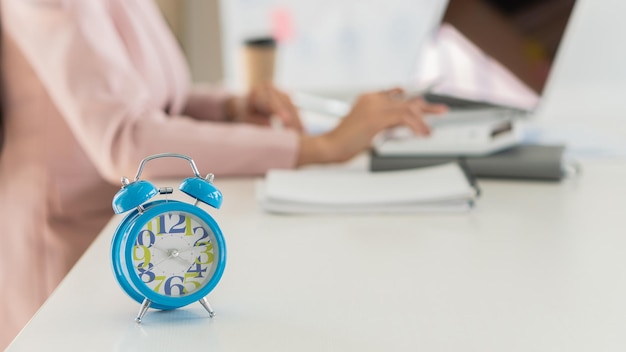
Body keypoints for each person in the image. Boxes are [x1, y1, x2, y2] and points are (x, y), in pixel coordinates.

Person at [0, 0, 446, 348]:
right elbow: (125, 139)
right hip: (68, 250)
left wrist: (230, 107)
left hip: (137, 243)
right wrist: (319, 148)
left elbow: (149, 99)